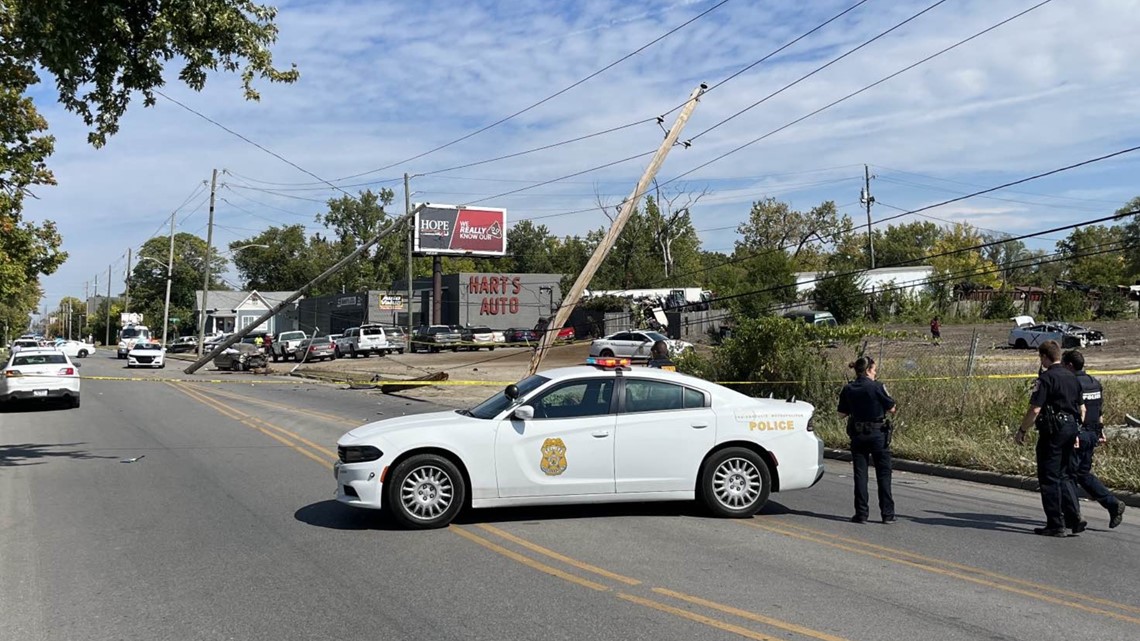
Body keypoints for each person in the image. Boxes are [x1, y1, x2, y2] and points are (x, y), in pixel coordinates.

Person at [1014, 340, 1084, 536]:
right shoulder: (1072, 377)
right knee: (1064, 474)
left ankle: (1056, 524)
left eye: (1041, 357)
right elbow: (1081, 408)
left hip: (1053, 431)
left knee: (1049, 477)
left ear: (1045, 357)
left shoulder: (1046, 379)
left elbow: (1035, 408)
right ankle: (1073, 517)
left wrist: (1022, 430)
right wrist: (1076, 432)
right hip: (1071, 427)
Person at [1062, 350, 1126, 529]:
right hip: (1092, 434)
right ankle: (1112, 504)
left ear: (1069, 365)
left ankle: (1073, 516)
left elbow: (1075, 412)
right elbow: (1099, 410)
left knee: (1069, 475)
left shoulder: (1073, 384)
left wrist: (1074, 434)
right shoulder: (1094, 382)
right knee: (1082, 474)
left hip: (1078, 435)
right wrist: (1100, 431)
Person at [837, 355, 897, 524]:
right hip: (878, 434)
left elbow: (841, 414)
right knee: (883, 474)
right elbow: (892, 408)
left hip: (858, 435)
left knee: (860, 475)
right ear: (869, 370)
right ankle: (887, 514)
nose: (876, 373)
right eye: (875, 369)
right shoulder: (877, 387)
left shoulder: (848, 389)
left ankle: (861, 514)